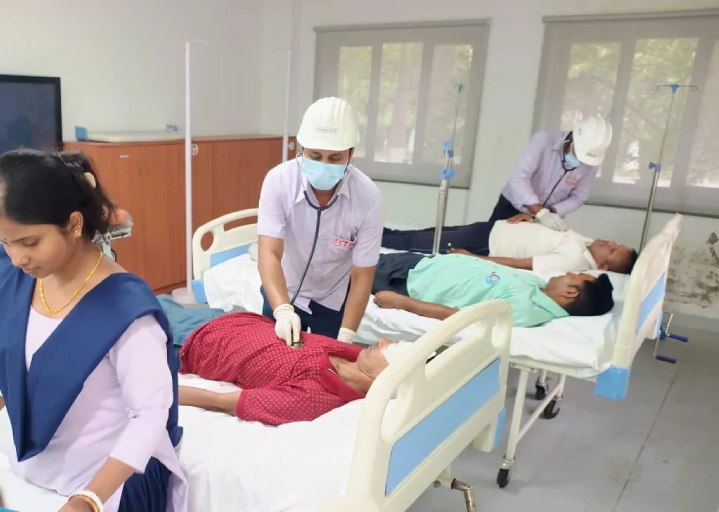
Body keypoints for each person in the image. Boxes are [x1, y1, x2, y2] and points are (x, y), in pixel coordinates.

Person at [0, 149, 194, 512]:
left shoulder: (126, 312)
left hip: (109, 485)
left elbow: (150, 417)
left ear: (74, 224)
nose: (17, 257)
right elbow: (16, 362)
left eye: (29, 242)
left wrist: (90, 499)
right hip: (39, 469)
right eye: (4, 242)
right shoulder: (21, 273)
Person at [257, 97, 384, 346]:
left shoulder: (368, 197)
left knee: (328, 363)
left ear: (350, 153)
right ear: (302, 148)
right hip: (283, 290)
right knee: (273, 359)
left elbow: (362, 276)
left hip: (332, 299)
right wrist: (282, 310)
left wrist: (346, 337)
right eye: (315, 156)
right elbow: (269, 253)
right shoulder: (279, 181)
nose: (324, 165)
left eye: (335, 158)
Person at [176, 311, 410, 426]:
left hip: (195, 341)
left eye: (391, 348)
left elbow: (219, 401)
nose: (383, 341)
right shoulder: (354, 354)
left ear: (381, 377)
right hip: (230, 318)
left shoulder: (314, 398)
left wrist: (166, 392)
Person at [372, 253, 614, 328]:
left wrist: (401, 302)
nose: (567, 272)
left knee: (351, 267)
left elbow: (460, 316)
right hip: (421, 265)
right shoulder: (539, 286)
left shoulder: (525, 309)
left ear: (571, 293)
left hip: (408, 283)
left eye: (574, 276)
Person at [381, 213, 638, 275]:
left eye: (613, 250)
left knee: (410, 242)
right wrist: (534, 218)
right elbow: (550, 233)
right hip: (491, 229)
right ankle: (370, 230)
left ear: (603, 266)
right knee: (419, 234)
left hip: (486, 245)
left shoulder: (573, 261)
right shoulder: (586, 243)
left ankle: (366, 238)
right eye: (616, 243)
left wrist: (472, 258)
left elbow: (518, 264)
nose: (611, 242)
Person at [490, 115, 613, 231]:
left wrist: (550, 213)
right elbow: (519, 178)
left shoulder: (591, 161)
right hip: (512, 207)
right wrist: (540, 212)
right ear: (572, 137)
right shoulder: (544, 140)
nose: (580, 161)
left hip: (548, 218)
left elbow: (578, 197)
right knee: (490, 242)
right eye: (578, 154)